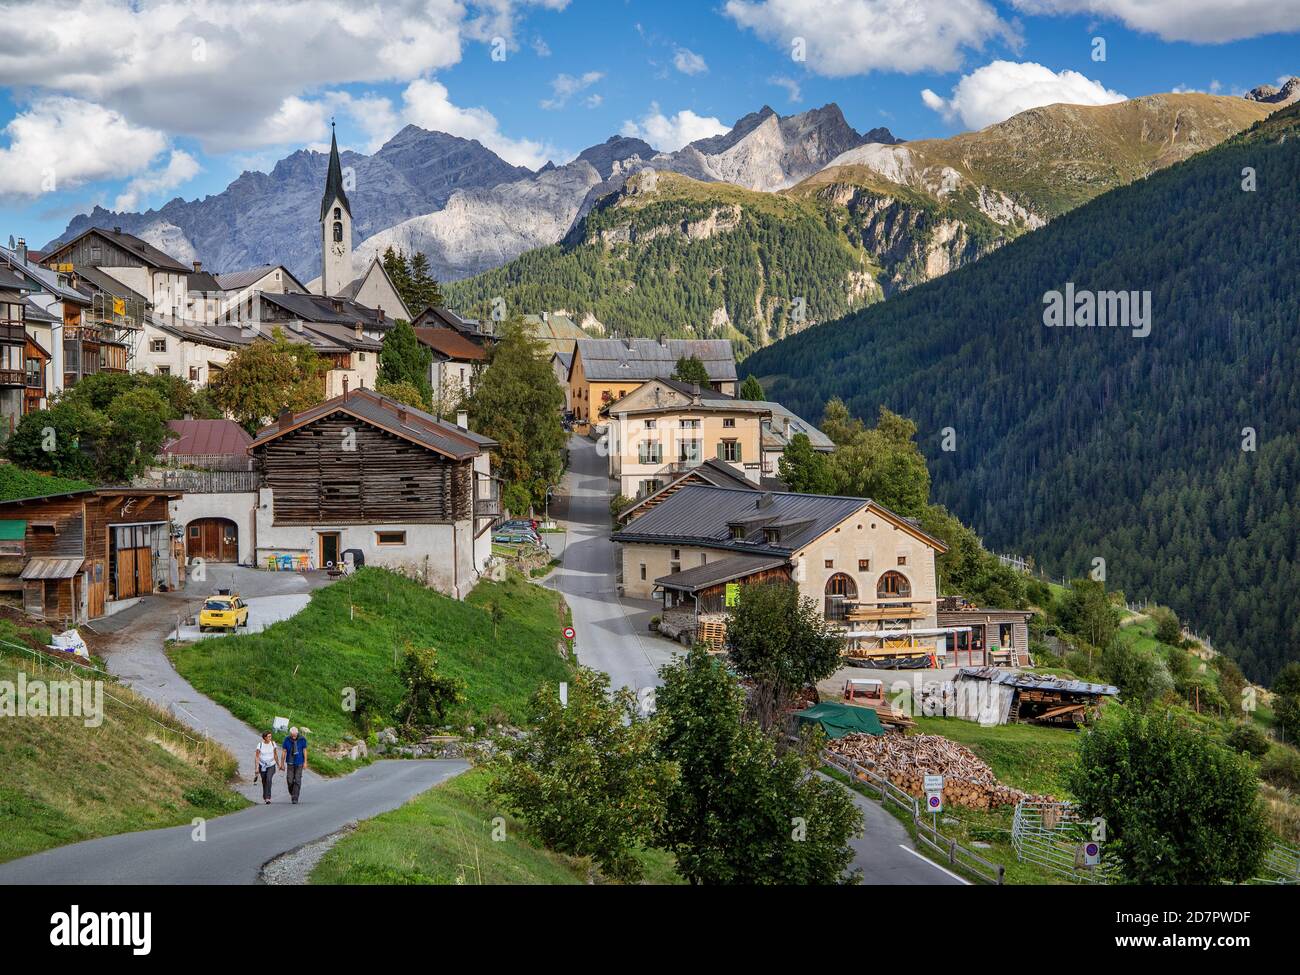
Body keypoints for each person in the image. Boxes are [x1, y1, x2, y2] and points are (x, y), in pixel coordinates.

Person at [280, 726, 308, 804]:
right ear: (290, 734)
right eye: (292, 735)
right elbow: (284, 751)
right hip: (290, 762)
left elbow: (304, 751)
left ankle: (295, 798)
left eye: (295, 735)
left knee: (297, 780)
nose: (293, 736)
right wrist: (282, 764)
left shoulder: (302, 739)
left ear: (297, 733)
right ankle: (292, 792)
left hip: (299, 762)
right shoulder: (287, 739)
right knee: (290, 779)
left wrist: (305, 762)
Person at [253, 731, 280, 804]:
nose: (270, 738)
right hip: (262, 765)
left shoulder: (273, 744)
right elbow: (257, 756)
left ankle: (268, 797)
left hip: (271, 764)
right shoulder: (260, 745)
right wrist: (256, 767)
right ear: (264, 738)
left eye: (270, 736)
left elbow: (275, 755)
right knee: (264, 781)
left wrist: (278, 764)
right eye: (268, 736)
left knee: (269, 779)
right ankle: (265, 797)